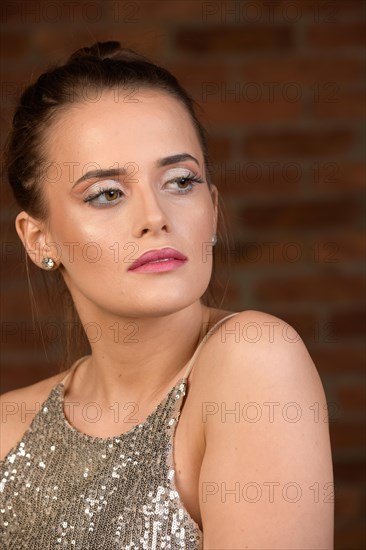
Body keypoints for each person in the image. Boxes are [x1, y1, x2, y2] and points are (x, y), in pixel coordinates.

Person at [0, 41, 334, 549]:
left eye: (180, 181)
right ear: (38, 239)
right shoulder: (7, 431)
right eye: (107, 193)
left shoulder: (255, 358)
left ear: (212, 205)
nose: (156, 216)